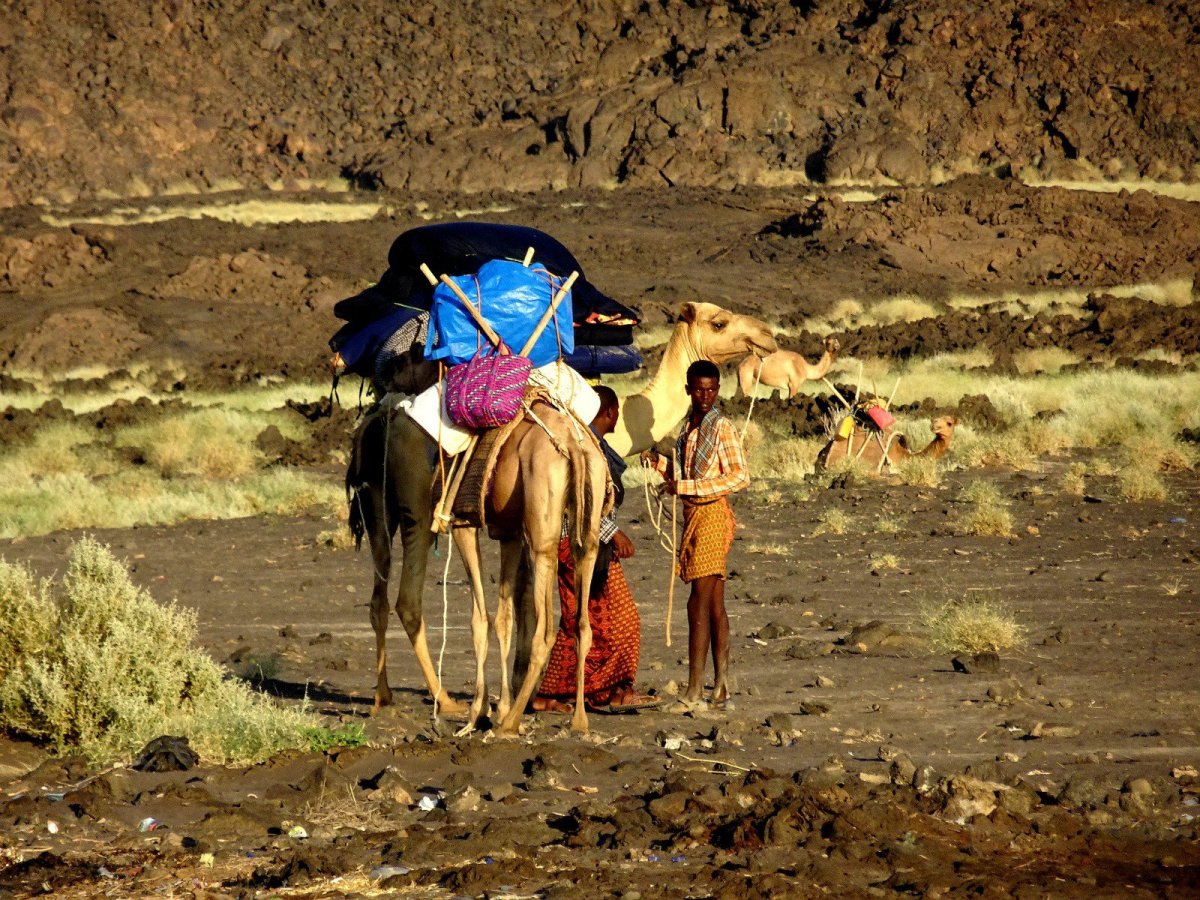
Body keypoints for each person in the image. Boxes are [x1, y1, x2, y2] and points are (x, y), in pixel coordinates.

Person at [534, 387, 660, 713]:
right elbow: (576, 502)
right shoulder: (581, 449)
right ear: (611, 412)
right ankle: (612, 690)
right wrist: (613, 532)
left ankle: (564, 692)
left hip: (585, 544)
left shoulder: (590, 446)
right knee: (614, 621)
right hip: (580, 543)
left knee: (585, 619)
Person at [642, 360, 749, 711]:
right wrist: (660, 464)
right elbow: (685, 475)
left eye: (711, 389)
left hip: (713, 516)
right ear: (688, 390)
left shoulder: (723, 427)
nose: (705, 395)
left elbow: (739, 476)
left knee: (697, 603)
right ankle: (721, 688)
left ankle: (693, 692)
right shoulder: (688, 429)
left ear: (718, 390)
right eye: (699, 389)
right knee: (715, 605)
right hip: (693, 516)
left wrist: (686, 487)